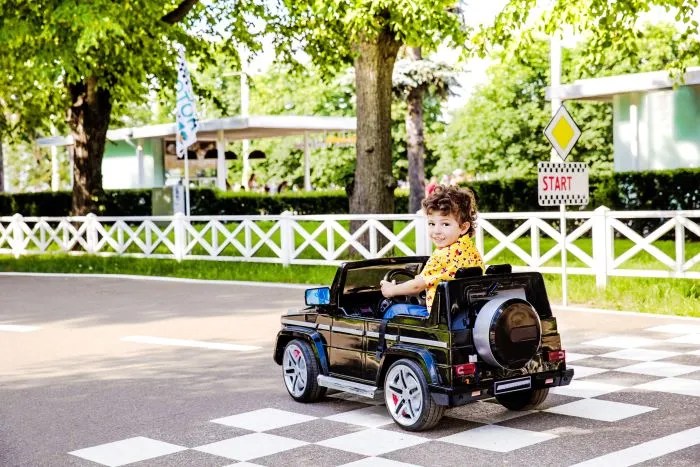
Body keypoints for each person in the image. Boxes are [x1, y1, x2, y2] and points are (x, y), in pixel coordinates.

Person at [380, 184, 483, 317]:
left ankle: (380, 337)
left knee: (393, 310)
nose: (436, 231)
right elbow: (433, 277)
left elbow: (417, 286)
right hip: (464, 314)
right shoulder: (469, 248)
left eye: (445, 224)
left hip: (440, 317)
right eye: (431, 224)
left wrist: (392, 290)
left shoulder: (442, 255)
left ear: (463, 227)